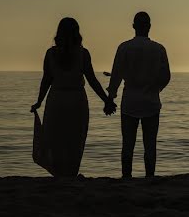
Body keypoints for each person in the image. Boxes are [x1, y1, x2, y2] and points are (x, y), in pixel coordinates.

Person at [30, 17, 116, 176]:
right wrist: (107, 100)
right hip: (77, 101)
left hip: (56, 100)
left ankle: (58, 174)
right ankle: (71, 173)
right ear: (77, 33)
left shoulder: (50, 54)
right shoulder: (83, 54)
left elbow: (46, 80)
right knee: (74, 140)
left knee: (55, 139)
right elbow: (92, 80)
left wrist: (39, 102)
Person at [107, 11, 171, 178]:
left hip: (130, 101)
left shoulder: (124, 48)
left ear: (134, 26)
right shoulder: (159, 49)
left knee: (128, 144)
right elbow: (166, 76)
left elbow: (116, 76)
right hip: (151, 101)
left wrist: (110, 97)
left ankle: (126, 177)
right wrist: (156, 88)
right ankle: (150, 176)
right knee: (150, 145)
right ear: (149, 27)